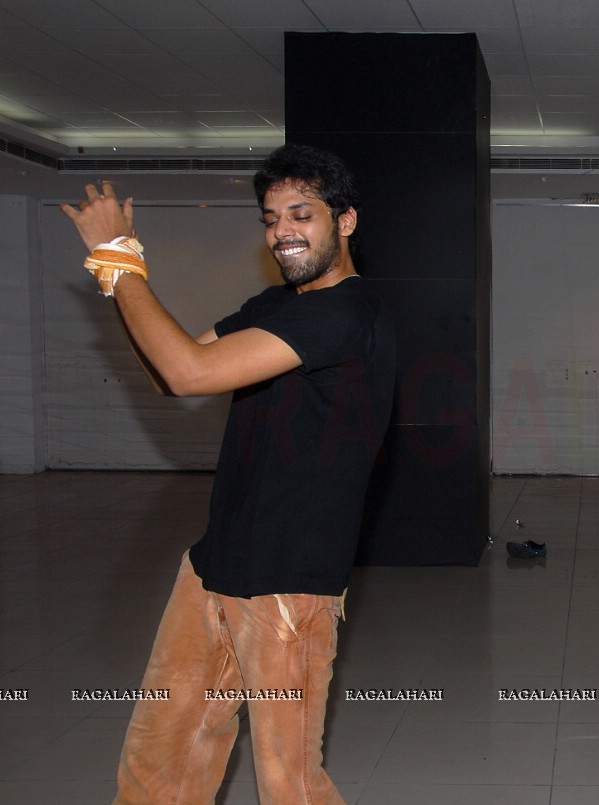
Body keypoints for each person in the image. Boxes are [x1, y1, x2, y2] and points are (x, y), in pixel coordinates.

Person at [60, 144, 396, 804]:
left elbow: (191, 372)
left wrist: (119, 259)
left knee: (288, 782)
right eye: (271, 218)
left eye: (302, 213)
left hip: (288, 588)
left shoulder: (347, 315)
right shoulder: (275, 304)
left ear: (346, 220)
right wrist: (117, 275)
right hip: (216, 564)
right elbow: (171, 372)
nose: (282, 232)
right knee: (163, 754)